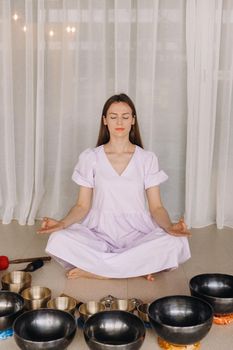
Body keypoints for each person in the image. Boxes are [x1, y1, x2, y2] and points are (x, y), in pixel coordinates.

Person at [38, 93, 191, 281]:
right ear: (105, 120)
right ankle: (133, 267)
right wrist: (62, 224)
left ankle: (99, 271)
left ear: (133, 120)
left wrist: (170, 227)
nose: (120, 121)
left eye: (125, 116)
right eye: (113, 116)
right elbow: (82, 206)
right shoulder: (90, 157)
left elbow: (156, 207)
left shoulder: (147, 158)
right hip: (99, 232)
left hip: (138, 233)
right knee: (58, 238)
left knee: (176, 242)